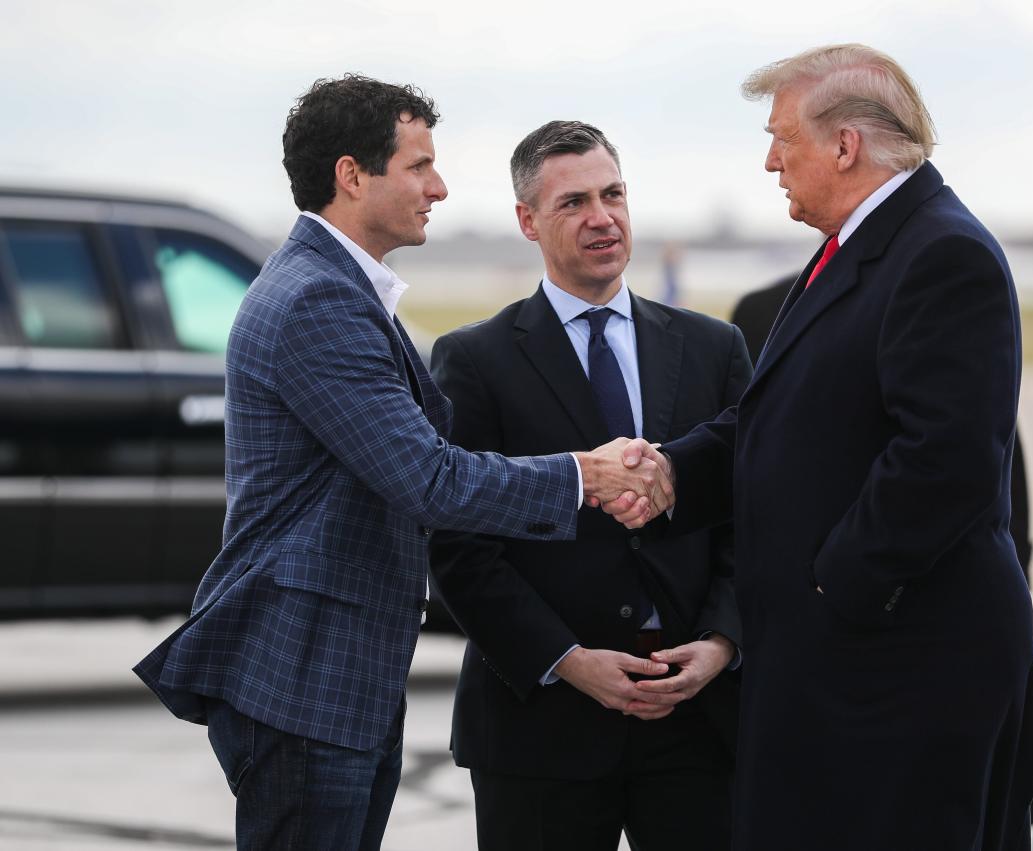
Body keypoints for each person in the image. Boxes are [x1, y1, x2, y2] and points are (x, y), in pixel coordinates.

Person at [132, 76, 669, 851]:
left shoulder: (339, 288)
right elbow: (428, 478)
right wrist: (587, 474)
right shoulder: (319, 300)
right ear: (352, 175)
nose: (439, 187)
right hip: (306, 675)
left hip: (335, 678)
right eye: (419, 166)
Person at [607, 44, 1033, 849]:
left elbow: (942, 462)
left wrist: (825, 587)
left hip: (896, 670)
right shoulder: (858, 247)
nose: (770, 160)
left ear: (845, 146)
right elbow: (777, 419)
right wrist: (673, 470)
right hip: (844, 667)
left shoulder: (942, 254)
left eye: (783, 137)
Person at [428, 120, 751, 851]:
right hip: (540, 727)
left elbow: (751, 513)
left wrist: (725, 642)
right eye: (573, 202)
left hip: (697, 722)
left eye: (614, 194)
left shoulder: (713, 347)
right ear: (528, 221)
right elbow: (457, 544)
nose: (602, 217)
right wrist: (568, 661)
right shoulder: (475, 360)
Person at [730, 274, 1033, 828]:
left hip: (906, 655)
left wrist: (834, 584)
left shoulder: (939, 270)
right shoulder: (780, 304)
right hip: (814, 666)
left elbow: (961, 462)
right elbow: (754, 446)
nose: (773, 178)